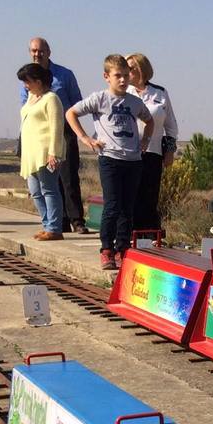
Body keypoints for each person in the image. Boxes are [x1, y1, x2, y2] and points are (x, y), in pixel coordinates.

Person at [66, 55, 153, 270]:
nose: (123, 80)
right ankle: (107, 249)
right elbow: (71, 113)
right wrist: (85, 138)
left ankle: (123, 248)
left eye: (126, 76)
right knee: (112, 206)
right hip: (110, 159)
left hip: (133, 160)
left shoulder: (134, 102)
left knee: (127, 208)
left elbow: (148, 120)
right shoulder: (100, 99)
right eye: (118, 76)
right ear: (107, 77)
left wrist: (145, 140)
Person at [19, 38, 87, 234]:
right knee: (40, 188)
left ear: (48, 52)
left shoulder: (64, 76)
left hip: (61, 130)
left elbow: (77, 103)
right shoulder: (27, 82)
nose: (37, 54)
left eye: (40, 50)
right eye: (33, 50)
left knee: (67, 178)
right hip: (34, 138)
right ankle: (57, 223)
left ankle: (75, 220)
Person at [125, 52, 178, 235]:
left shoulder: (160, 93)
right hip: (127, 155)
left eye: (131, 67)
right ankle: (128, 237)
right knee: (130, 197)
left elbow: (171, 126)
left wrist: (169, 151)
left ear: (141, 69)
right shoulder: (123, 93)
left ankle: (148, 237)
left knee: (149, 198)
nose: (127, 71)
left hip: (153, 154)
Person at [17, 63, 67, 241]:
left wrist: (54, 152)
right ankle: (47, 224)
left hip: (45, 152)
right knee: (35, 191)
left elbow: (56, 127)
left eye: (28, 81)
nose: (26, 85)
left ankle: (54, 227)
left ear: (38, 81)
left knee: (49, 189)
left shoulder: (51, 98)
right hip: (30, 153)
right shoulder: (31, 98)